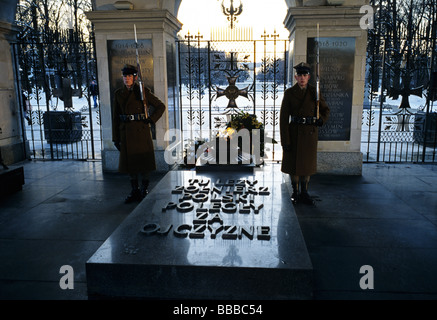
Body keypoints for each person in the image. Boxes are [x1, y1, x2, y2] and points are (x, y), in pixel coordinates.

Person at [112, 64, 166, 203]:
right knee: (131, 165)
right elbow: (115, 117)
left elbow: (161, 106)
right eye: (125, 76)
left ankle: (144, 189)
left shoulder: (142, 91)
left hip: (140, 131)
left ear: (135, 77)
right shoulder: (119, 93)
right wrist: (115, 138)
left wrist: (151, 119)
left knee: (143, 163)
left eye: (129, 76)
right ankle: (134, 191)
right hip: (126, 132)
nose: (127, 79)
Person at [279, 62, 330, 205]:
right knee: (294, 166)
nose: (302, 78)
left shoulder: (315, 92)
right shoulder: (289, 93)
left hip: (309, 133)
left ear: (309, 77)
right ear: (296, 77)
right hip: (294, 133)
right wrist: (285, 141)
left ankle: (305, 193)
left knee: (307, 166)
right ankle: (295, 192)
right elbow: (283, 119)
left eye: (305, 75)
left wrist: (321, 120)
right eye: (300, 75)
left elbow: (326, 110)